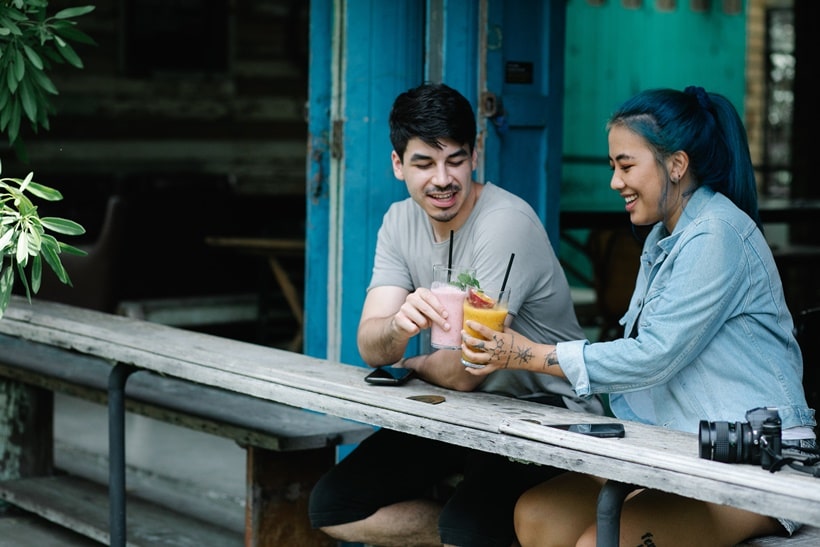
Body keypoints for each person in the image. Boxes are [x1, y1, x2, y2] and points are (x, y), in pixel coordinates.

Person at [461, 86, 817, 546]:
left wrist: (527, 355)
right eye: (612, 167)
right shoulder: (661, 239)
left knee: (598, 543)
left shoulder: (718, 233)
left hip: (758, 459)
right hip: (678, 447)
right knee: (537, 515)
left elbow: (654, 355)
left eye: (626, 165)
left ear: (676, 164)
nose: (615, 181)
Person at [308, 82, 603, 547]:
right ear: (398, 164)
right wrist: (397, 327)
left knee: (465, 530)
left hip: (543, 412)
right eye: (424, 163)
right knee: (332, 506)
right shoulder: (398, 221)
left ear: (475, 154)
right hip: (459, 411)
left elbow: (468, 369)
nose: (442, 178)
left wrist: (414, 365)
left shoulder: (505, 223)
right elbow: (370, 343)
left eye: (456, 160)